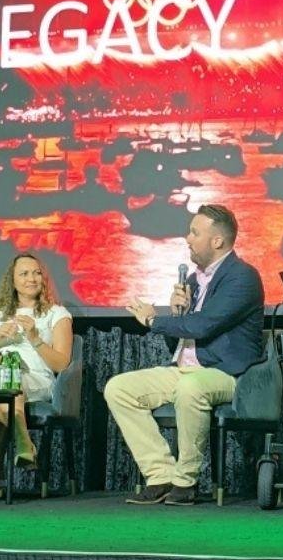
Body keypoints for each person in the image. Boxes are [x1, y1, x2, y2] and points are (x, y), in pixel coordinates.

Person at [105, 204, 265, 506]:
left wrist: (154, 320)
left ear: (217, 241)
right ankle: (160, 475)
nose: (187, 238)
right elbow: (180, 341)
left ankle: (185, 480)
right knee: (119, 388)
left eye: (194, 233)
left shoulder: (242, 277)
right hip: (183, 369)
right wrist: (178, 312)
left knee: (190, 387)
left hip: (228, 373)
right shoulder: (192, 281)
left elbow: (204, 326)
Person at [0, 253, 73, 499]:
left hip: (35, 378)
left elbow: (62, 363)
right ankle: (24, 442)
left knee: (1, 380)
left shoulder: (56, 314)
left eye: (37, 273)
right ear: (13, 280)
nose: (32, 278)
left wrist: (35, 338)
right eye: (24, 274)